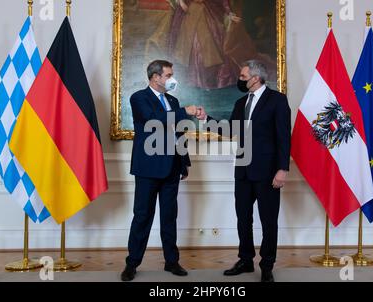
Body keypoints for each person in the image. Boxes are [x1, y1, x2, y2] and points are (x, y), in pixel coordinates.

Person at [198, 60, 291, 282]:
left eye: (242, 76)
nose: (238, 80)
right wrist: (206, 119)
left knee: (269, 221)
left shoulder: (277, 100)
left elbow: (283, 137)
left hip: (268, 172)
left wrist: (283, 169)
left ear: (256, 78)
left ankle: (267, 264)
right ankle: (246, 260)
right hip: (242, 170)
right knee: (243, 218)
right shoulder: (241, 102)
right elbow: (230, 130)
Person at [121, 60, 204, 281]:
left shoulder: (173, 100)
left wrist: (184, 162)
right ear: (156, 77)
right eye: (168, 75)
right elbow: (153, 121)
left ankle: (172, 261)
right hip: (148, 168)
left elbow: (179, 133)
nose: (171, 78)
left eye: (171, 74)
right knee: (142, 216)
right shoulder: (139, 98)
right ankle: (132, 263)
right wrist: (184, 111)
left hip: (172, 168)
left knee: (169, 217)